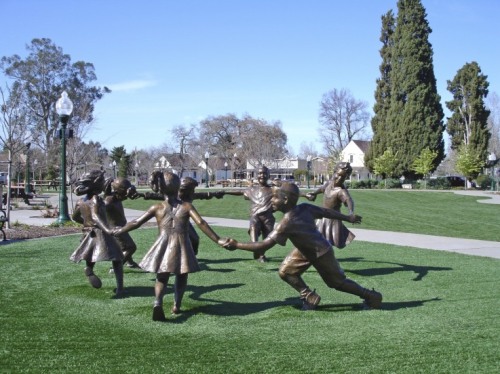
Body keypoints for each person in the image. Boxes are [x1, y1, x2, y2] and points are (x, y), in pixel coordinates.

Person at [223, 182, 382, 311]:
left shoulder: (286, 223)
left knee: (337, 283)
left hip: (320, 252)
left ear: (285, 200)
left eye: (274, 198)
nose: (271, 200)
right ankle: (309, 296)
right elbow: (327, 213)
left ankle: (371, 296)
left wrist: (237, 244)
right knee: (286, 271)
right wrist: (347, 217)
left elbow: (263, 246)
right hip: (304, 250)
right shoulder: (305, 207)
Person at [112, 171, 229, 321]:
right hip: (182, 243)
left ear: (160, 189)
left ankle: (158, 301)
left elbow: (136, 222)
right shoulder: (186, 206)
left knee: (162, 275)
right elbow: (201, 223)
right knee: (181, 274)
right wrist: (217, 239)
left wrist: (120, 230)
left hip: (163, 243)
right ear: (178, 187)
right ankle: (176, 305)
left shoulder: (157, 207)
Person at [140, 171, 224, 255]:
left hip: (184, 221)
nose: (194, 191)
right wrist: (144, 195)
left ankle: (192, 256)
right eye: (192, 189)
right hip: (172, 220)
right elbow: (158, 195)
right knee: (173, 240)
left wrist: (215, 194)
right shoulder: (174, 195)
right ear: (186, 189)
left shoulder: (190, 195)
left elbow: (203, 195)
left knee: (195, 239)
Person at [70, 170, 124, 297]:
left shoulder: (80, 202)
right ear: (97, 184)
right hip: (100, 232)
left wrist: (85, 223)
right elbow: (95, 216)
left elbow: (75, 217)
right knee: (117, 258)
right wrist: (107, 229)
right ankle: (120, 288)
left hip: (88, 232)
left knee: (90, 255)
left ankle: (90, 270)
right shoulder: (96, 199)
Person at [224, 166, 274, 262]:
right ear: (257, 175)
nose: (262, 175)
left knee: (267, 239)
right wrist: (224, 192)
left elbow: (288, 193)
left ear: (268, 175)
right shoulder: (252, 189)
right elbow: (240, 191)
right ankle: (257, 251)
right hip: (255, 216)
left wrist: (305, 194)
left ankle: (260, 253)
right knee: (253, 226)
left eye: (264, 173)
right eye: (260, 173)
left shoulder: (273, 190)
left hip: (268, 217)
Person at [306, 162, 355, 249]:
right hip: (322, 216)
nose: (339, 178)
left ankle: (326, 256)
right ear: (334, 172)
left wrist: (351, 212)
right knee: (317, 236)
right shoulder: (329, 183)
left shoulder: (341, 191)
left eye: (343, 177)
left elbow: (349, 200)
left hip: (333, 219)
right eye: (338, 174)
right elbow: (322, 189)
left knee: (330, 239)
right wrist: (314, 193)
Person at [103, 177, 141, 270]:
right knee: (131, 247)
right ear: (119, 190)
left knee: (124, 246)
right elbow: (100, 211)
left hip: (121, 227)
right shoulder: (109, 201)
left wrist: (133, 194)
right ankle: (116, 267)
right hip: (115, 229)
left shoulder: (116, 197)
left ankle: (130, 262)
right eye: (126, 189)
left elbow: (122, 197)